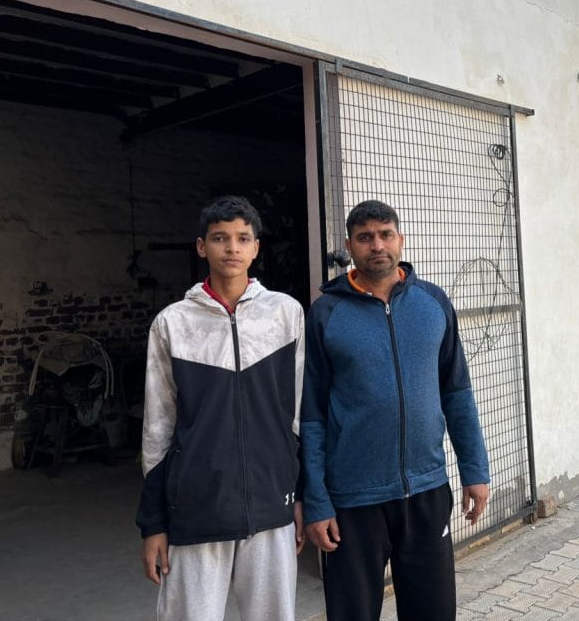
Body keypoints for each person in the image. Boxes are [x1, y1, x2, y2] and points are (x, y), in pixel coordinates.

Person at [301, 199, 491, 621]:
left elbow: (457, 393)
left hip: (425, 491)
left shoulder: (433, 303)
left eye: (385, 234)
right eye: (365, 237)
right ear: (350, 246)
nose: (377, 245)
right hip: (353, 500)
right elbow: (311, 415)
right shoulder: (325, 315)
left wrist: (474, 470)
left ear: (401, 240)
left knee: (433, 611)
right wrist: (317, 501)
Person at [136, 195, 306, 621]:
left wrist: (303, 497)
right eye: (220, 238)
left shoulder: (286, 315)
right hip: (196, 510)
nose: (232, 248)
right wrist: (153, 522)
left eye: (242, 238)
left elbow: (301, 415)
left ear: (255, 248)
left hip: (272, 505)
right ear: (201, 247)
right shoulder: (173, 323)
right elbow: (157, 429)